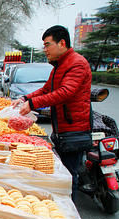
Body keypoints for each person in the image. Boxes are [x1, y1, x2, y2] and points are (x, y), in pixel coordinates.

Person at [13, 25, 92, 200]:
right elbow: (46, 89)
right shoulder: (60, 66)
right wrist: (26, 98)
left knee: (68, 176)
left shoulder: (77, 63)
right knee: (62, 173)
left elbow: (65, 92)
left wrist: (33, 104)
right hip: (63, 129)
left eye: (47, 44)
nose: (45, 49)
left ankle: (69, 217)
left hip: (74, 129)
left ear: (62, 43)